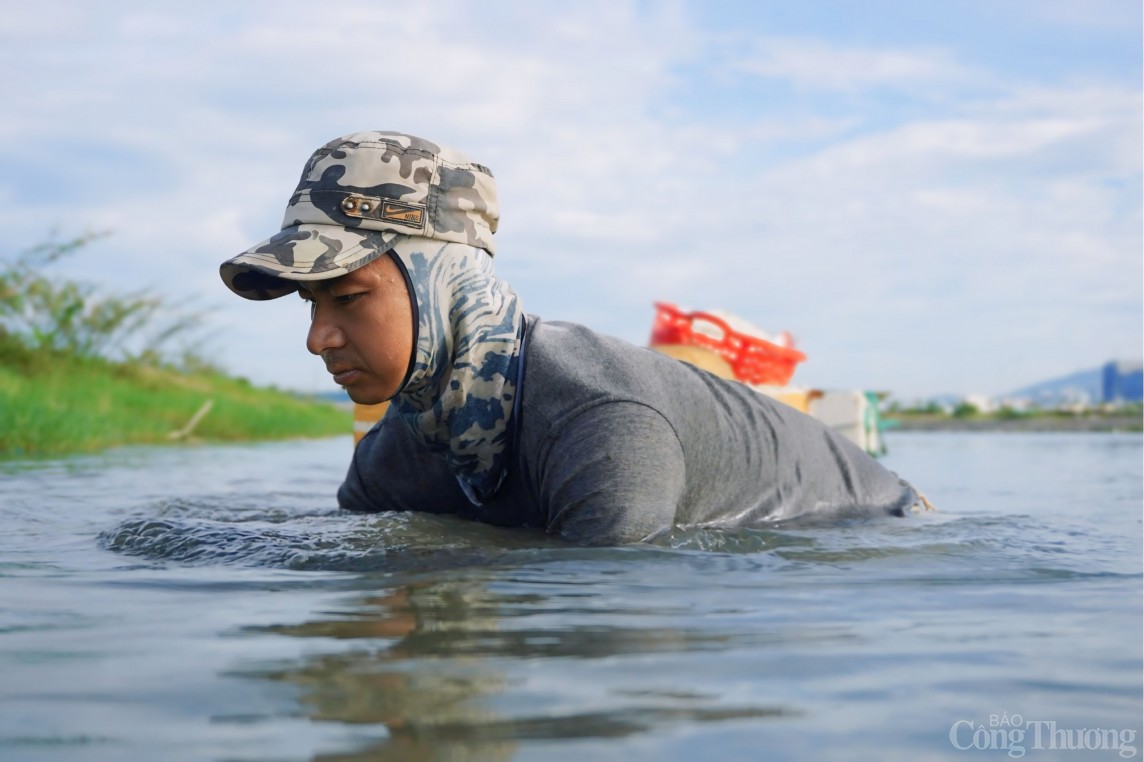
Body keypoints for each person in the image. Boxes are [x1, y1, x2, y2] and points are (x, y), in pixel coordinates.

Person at [220, 130, 926, 545]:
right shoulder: (396, 454)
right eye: (310, 305)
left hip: (877, 529)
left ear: (441, 280)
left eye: (344, 296)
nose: (318, 339)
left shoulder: (603, 425)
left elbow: (610, 632)